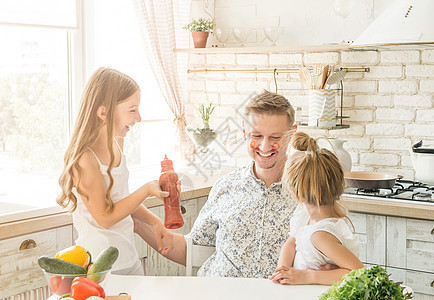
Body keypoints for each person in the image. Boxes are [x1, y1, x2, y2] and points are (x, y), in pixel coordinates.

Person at [134, 90, 299, 278]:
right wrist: (135, 218)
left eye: (275, 138)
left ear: (292, 133)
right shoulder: (226, 186)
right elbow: (192, 250)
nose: (264, 146)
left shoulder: (309, 191)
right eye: (257, 136)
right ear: (245, 130)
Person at [57, 67, 172, 275]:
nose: (138, 117)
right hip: (100, 268)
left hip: (128, 258)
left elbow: (120, 198)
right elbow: (105, 217)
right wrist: (146, 190)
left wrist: (154, 221)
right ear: (103, 112)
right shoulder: (85, 159)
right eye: (132, 109)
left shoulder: (116, 144)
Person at [269, 132, 364, 285]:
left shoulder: (321, 235)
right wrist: (283, 270)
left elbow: (360, 274)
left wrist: (307, 277)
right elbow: (291, 242)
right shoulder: (304, 216)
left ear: (296, 193)